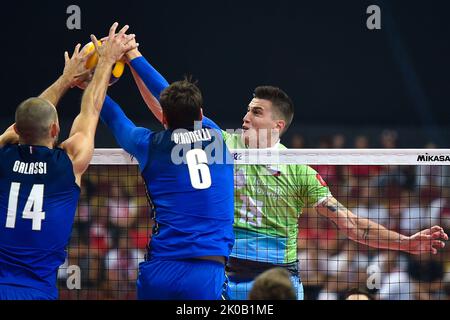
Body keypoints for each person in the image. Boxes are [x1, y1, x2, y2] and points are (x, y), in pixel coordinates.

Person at [121, 42, 448, 300]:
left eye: (256, 112)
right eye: (247, 110)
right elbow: (172, 112)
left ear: (277, 125)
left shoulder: (299, 170)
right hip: (226, 280)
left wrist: (405, 244)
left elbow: (350, 224)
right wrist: (133, 57)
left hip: (278, 282)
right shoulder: (221, 144)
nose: (246, 117)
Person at [0, 22, 136, 299]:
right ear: (54, 130)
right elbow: (91, 109)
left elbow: (25, 120)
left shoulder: (2, 157)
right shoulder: (68, 162)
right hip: (37, 291)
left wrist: (64, 79)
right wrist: (106, 63)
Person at [99, 43, 235, 300]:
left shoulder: (149, 145)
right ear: (201, 114)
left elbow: (116, 119)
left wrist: (91, 85)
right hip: (206, 269)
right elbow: (168, 93)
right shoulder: (217, 136)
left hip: (161, 268)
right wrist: (134, 55)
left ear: (163, 119)